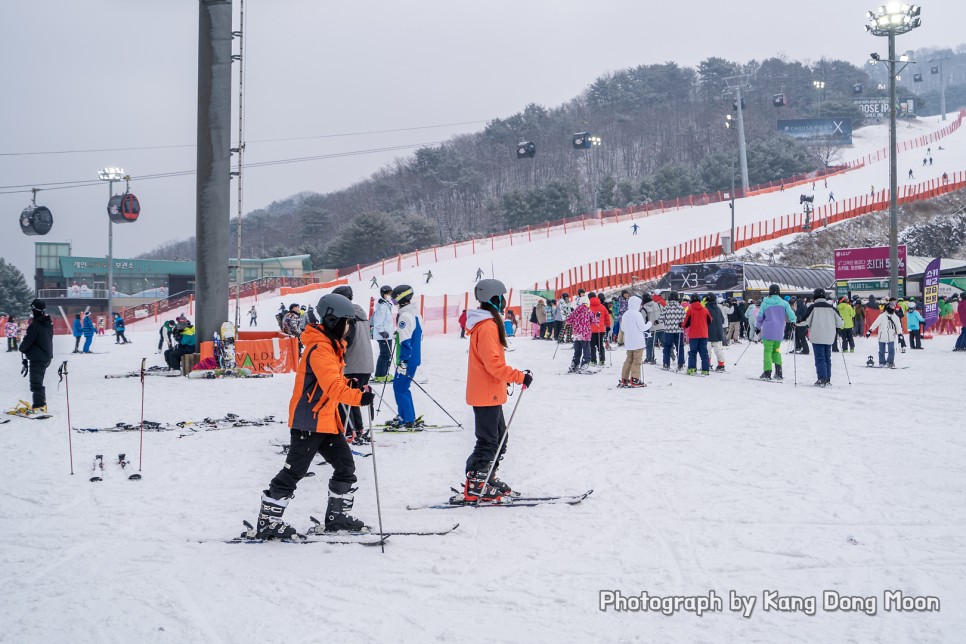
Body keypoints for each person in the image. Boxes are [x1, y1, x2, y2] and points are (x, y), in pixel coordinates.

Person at [248, 292, 376, 540]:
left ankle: (336, 517)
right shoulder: (321, 349)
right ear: (333, 321)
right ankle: (268, 522)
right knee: (294, 472)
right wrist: (359, 398)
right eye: (346, 322)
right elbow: (332, 388)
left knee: (345, 467)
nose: (349, 328)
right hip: (310, 422)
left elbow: (333, 381)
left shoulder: (330, 347)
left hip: (326, 421)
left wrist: (353, 386)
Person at [462, 279, 531, 502]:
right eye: (501, 297)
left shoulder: (488, 323)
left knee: (500, 437)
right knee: (489, 441)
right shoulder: (488, 326)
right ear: (493, 298)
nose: (503, 302)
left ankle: (486, 476)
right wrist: (519, 376)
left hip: (489, 391)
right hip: (486, 393)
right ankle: (476, 483)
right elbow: (493, 364)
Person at [331, 285, 375, 445]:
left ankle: (349, 431)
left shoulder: (347, 316)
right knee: (354, 398)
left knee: (343, 397)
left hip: (352, 364)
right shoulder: (360, 313)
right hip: (365, 364)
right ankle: (357, 429)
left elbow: (346, 341)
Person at [390, 285, 423, 430]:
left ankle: (407, 419)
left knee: (399, 387)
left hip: (406, 359)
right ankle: (407, 416)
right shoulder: (415, 313)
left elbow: (405, 341)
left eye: (394, 300)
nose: (393, 303)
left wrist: (403, 362)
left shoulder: (405, 316)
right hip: (413, 358)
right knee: (403, 387)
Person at [19, 300, 54, 413]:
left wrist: (22, 348)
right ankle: (40, 404)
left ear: (34, 310)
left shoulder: (36, 325)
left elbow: (29, 340)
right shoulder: (47, 323)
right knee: (37, 381)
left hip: (38, 358)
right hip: (46, 356)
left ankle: (39, 406)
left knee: (36, 383)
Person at [802, 289, 843, 387]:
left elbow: (806, 320)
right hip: (829, 337)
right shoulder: (832, 308)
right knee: (827, 358)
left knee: (820, 358)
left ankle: (822, 378)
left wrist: (796, 324)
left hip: (817, 336)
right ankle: (827, 378)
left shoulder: (813, 307)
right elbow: (840, 322)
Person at [756, 284, 797, 380]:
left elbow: (760, 317)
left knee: (767, 352)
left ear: (769, 292)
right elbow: (791, 314)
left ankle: (767, 372)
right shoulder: (784, 303)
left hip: (768, 332)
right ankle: (778, 372)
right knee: (776, 351)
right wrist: (793, 321)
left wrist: (758, 328)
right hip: (779, 332)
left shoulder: (765, 303)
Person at [618, 295, 650, 387]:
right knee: (637, 361)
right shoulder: (637, 314)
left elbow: (623, 328)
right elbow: (642, 328)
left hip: (628, 341)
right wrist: (649, 323)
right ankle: (635, 379)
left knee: (628, 360)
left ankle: (624, 379)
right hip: (638, 342)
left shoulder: (625, 314)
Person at [682, 294, 711, 375]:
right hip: (703, 334)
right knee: (704, 352)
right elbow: (709, 321)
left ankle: (692, 369)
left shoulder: (690, 310)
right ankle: (705, 370)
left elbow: (686, 324)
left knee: (692, 352)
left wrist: (681, 324)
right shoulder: (705, 310)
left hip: (693, 335)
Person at [371, 285, 395, 383]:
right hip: (383, 335)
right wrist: (382, 331)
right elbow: (378, 321)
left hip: (387, 334)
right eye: (387, 293)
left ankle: (384, 373)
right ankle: (380, 375)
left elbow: (387, 321)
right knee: (385, 355)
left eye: (390, 293)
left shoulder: (386, 305)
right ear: (383, 294)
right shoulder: (382, 306)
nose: (389, 295)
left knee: (387, 354)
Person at [867, 302, 901, 367]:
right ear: (887, 307)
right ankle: (882, 362)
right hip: (882, 336)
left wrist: (900, 333)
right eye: (891, 306)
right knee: (881, 350)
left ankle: (890, 362)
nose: (892, 308)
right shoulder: (882, 316)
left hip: (891, 336)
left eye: (893, 306)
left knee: (891, 350)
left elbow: (898, 326)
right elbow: (875, 323)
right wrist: (870, 330)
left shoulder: (895, 317)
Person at [566, 296, 594, 373]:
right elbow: (595, 321)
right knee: (586, 350)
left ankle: (574, 364)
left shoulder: (575, 311)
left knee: (577, 350)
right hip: (585, 334)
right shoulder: (588, 311)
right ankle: (584, 364)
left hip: (577, 334)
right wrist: (597, 316)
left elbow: (568, 320)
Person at [660, 292, 686, 371]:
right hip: (678, 331)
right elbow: (684, 319)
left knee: (667, 347)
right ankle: (681, 364)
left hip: (668, 331)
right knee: (680, 348)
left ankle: (666, 364)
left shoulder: (666, 308)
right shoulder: (681, 308)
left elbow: (660, 319)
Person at [704, 294, 727, 372]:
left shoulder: (706, 309)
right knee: (718, 349)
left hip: (708, 332)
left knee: (707, 349)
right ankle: (721, 365)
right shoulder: (718, 309)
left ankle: (708, 364)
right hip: (718, 332)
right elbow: (723, 320)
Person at [588, 293, 610, 366]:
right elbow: (607, 317)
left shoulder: (588, 307)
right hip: (600, 329)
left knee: (592, 346)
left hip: (591, 329)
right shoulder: (602, 306)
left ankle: (593, 361)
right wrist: (608, 326)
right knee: (600, 345)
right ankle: (602, 360)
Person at [641, 293, 661, 365]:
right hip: (661, 326)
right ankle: (671, 357)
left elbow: (642, 320)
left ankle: (650, 358)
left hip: (652, 328)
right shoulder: (657, 304)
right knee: (666, 344)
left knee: (650, 344)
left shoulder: (644, 308)